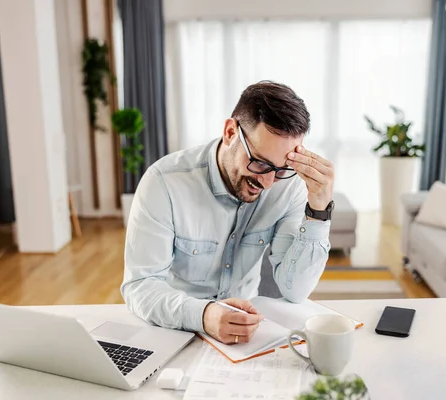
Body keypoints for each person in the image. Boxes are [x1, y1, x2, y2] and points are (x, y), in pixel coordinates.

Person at [121, 81, 335, 345]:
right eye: (259, 163)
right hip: (174, 329)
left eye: (281, 169)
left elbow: (296, 290)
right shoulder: (164, 182)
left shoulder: (287, 186)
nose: (268, 183)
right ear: (231, 132)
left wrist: (318, 210)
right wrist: (203, 315)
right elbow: (140, 285)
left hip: (247, 336)